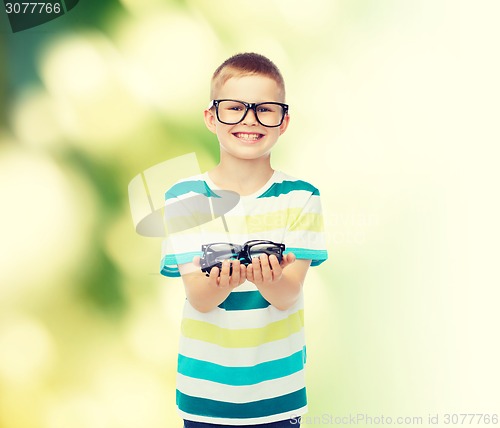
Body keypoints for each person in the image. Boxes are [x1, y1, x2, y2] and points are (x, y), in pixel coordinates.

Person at [161, 52, 328, 428]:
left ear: (283, 121)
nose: (249, 120)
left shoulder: (302, 197)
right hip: (205, 396)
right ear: (211, 117)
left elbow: (287, 296)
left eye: (265, 110)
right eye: (234, 108)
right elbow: (200, 299)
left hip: (279, 397)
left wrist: (269, 279)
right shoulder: (184, 199)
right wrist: (228, 280)